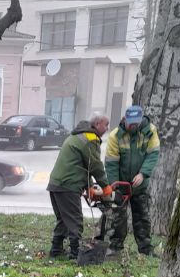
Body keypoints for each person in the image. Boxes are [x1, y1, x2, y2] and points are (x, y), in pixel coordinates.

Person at [46, 114, 110, 260]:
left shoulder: (77, 135)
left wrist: (89, 186)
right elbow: (94, 165)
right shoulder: (90, 139)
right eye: (106, 125)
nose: (107, 128)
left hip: (56, 183)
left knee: (63, 218)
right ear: (98, 123)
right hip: (68, 185)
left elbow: (81, 166)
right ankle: (75, 254)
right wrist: (105, 187)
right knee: (75, 219)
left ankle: (56, 249)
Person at [103, 105, 160, 257]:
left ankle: (145, 248)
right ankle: (115, 246)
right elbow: (111, 163)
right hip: (121, 185)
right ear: (125, 120)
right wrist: (115, 185)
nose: (132, 125)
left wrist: (143, 174)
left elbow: (153, 155)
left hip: (139, 184)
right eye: (130, 122)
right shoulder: (116, 136)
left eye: (136, 122)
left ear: (141, 120)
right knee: (118, 217)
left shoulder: (150, 132)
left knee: (142, 216)